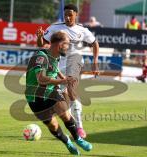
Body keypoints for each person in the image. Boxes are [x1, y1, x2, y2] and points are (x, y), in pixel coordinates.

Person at [36, 4, 99, 138]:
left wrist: (95, 62)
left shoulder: (82, 30)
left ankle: (80, 127)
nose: (68, 17)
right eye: (66, 15)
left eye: (70, 14)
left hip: (75, 62)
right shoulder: (55, 28)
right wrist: (39, 37)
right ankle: (72, 126)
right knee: (63, 97)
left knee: (70, 91)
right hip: (58, 64)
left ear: (76, 15)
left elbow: (95, 43)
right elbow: (42, 44)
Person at [25, 31, 92, 155]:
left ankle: (78, 139)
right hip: (35, 97)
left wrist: (65, 79)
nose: (68, 47)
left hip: (51, 91)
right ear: (59, 44)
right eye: (66, 44)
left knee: (65, 114)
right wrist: (62, 80)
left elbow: (55, 69)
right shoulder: (40, 57)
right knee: (53, 126)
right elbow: (41, 79)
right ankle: (67, 142)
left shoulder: (56, 55)